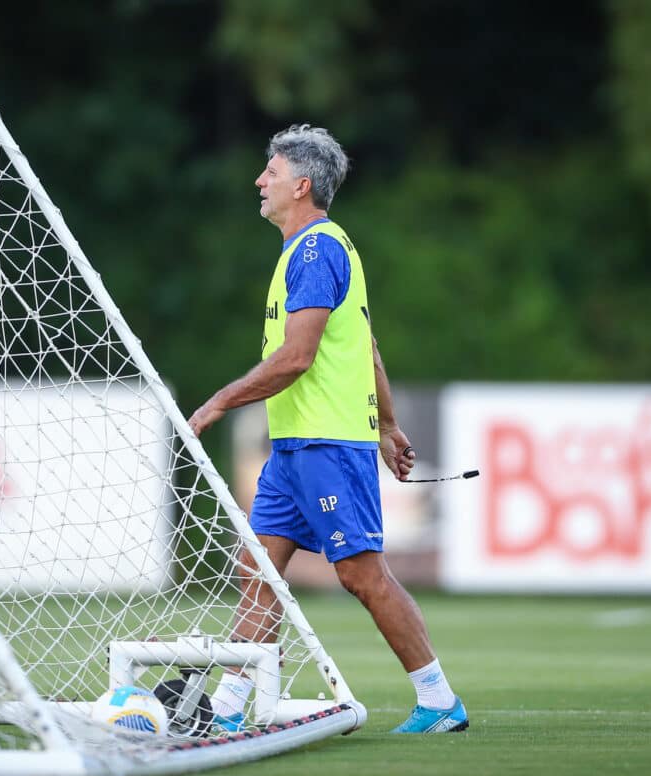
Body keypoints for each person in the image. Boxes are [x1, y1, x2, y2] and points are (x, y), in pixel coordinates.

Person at [187, 124, 468, 734]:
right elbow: (366, 349)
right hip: (294, 449)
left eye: (272, 171)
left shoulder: (316, 250)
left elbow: (297, 357)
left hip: (328, 445)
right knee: (257, 571)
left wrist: (218, 403)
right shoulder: (306, 251)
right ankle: (229, 713)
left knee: (361, 575)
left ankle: (440, 701)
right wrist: (390, 425)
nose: (260, 180)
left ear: (302, 184)